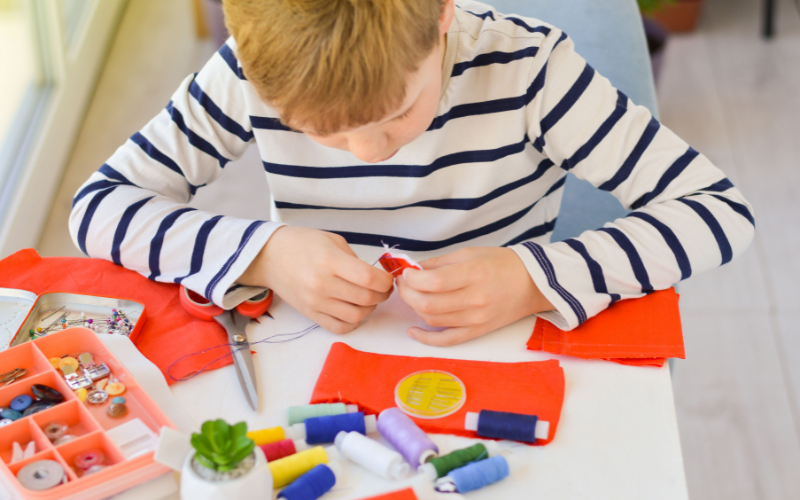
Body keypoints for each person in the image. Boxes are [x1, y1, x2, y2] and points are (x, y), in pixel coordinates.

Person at [69, 0, 755, 347]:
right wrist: (266, 253)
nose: (368, 152)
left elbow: (718, 212)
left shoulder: (528, 70)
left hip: (508, 344)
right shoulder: (243, 73)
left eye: (398, 114)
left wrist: (533, 278)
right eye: (321, 131)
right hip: (321, 353)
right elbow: (99, 207)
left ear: (442, 18)